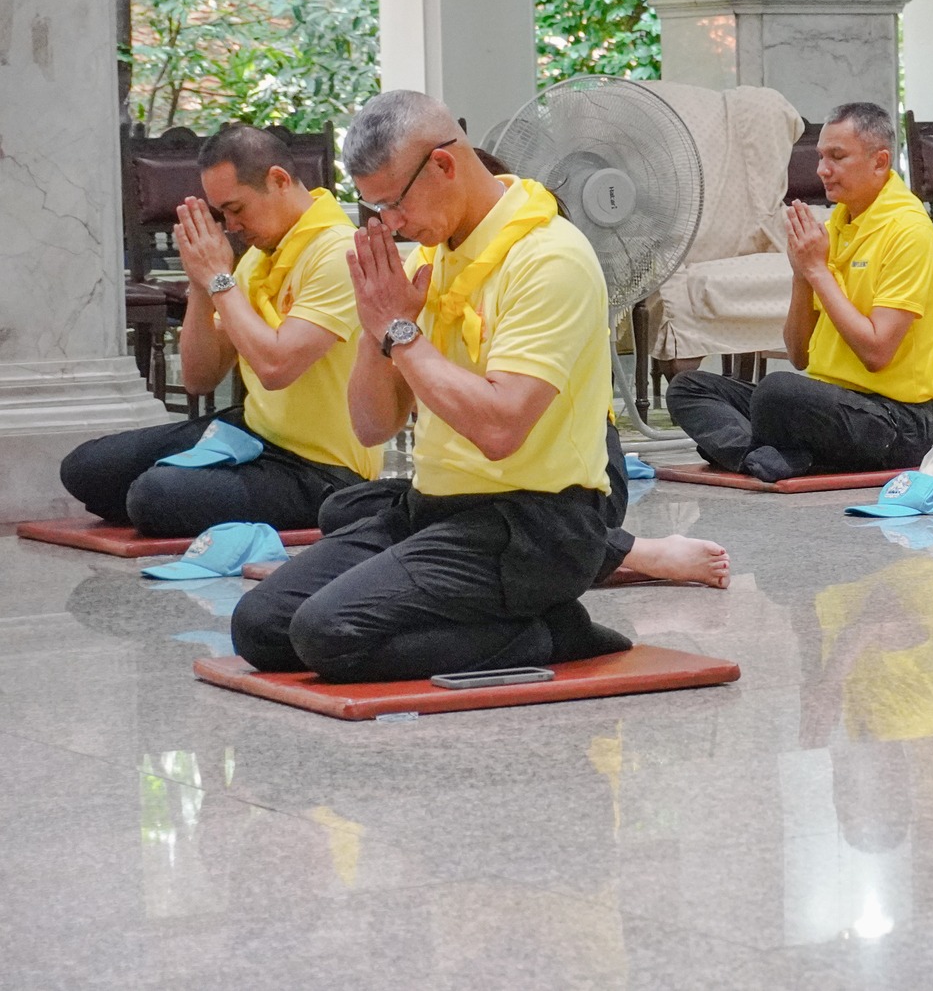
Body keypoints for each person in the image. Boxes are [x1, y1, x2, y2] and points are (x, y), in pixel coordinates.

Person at [231, 93, 726, 684]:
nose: (391, 223)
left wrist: (402, 334)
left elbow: (499, 428)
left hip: (535, 526)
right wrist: (374, 330)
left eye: (395, 202)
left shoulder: (550, 258)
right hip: (436, 508)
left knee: (327, 634)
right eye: (376, 208)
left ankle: (554, 634)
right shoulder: (433, 257)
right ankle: (507, 621)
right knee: (261, 626)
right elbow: (372, 426)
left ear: (443, 164)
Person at [60, 125, 379, 535]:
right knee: (86, 469)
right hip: (251, 434)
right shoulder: (259, 257)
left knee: (153, 496)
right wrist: (199, 283)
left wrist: (219, 280)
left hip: (323, 468)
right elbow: (199, 378)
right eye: (221, 214)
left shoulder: (340, 252)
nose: (230, 226)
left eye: (236, 209)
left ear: (279, 180)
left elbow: (276, 368)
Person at [666, 102, 933, 481]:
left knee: (777, 393)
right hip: (826, 403)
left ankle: (769, 452)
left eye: (837, 157)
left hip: (894, 421)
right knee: (689, 387)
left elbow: (877, 353)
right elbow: (799, 355)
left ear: (880, 162)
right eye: (821, 156)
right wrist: (801, 274)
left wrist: (817, 271)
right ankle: (763, 457)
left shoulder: (908, 231)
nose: (822, 170)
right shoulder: (836, 224)